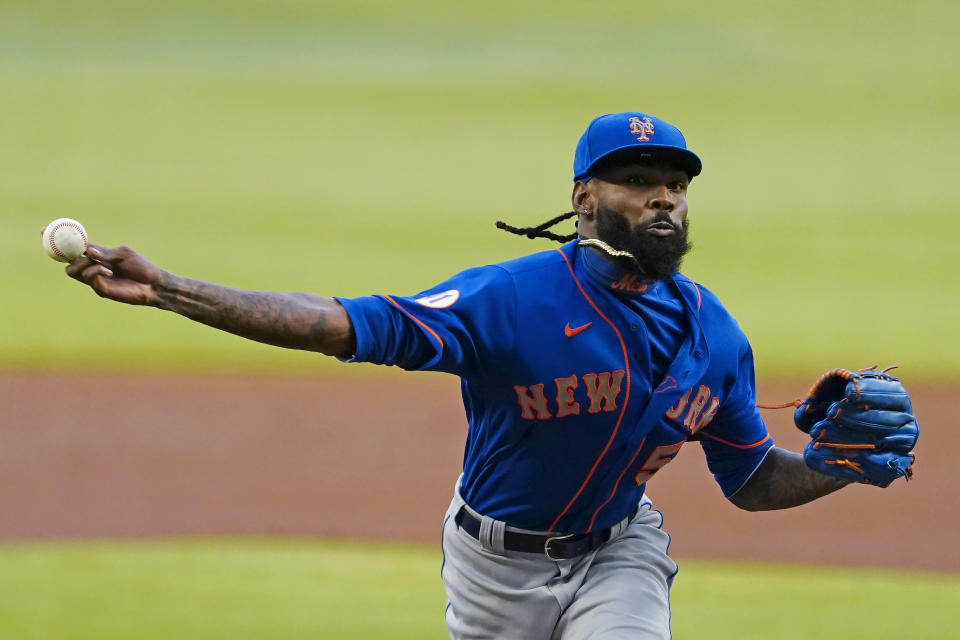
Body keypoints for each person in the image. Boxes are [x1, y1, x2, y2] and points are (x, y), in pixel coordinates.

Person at [61, 112, 916, 639]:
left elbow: (753, 478)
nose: (662, 199)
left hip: (619, 552)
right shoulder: (508, 301)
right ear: (584, 198)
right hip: (492, 569)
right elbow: (346, 324)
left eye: (673, 186)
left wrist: (837, 468)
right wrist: (173, 289)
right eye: (637, 182)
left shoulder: (716, 336)